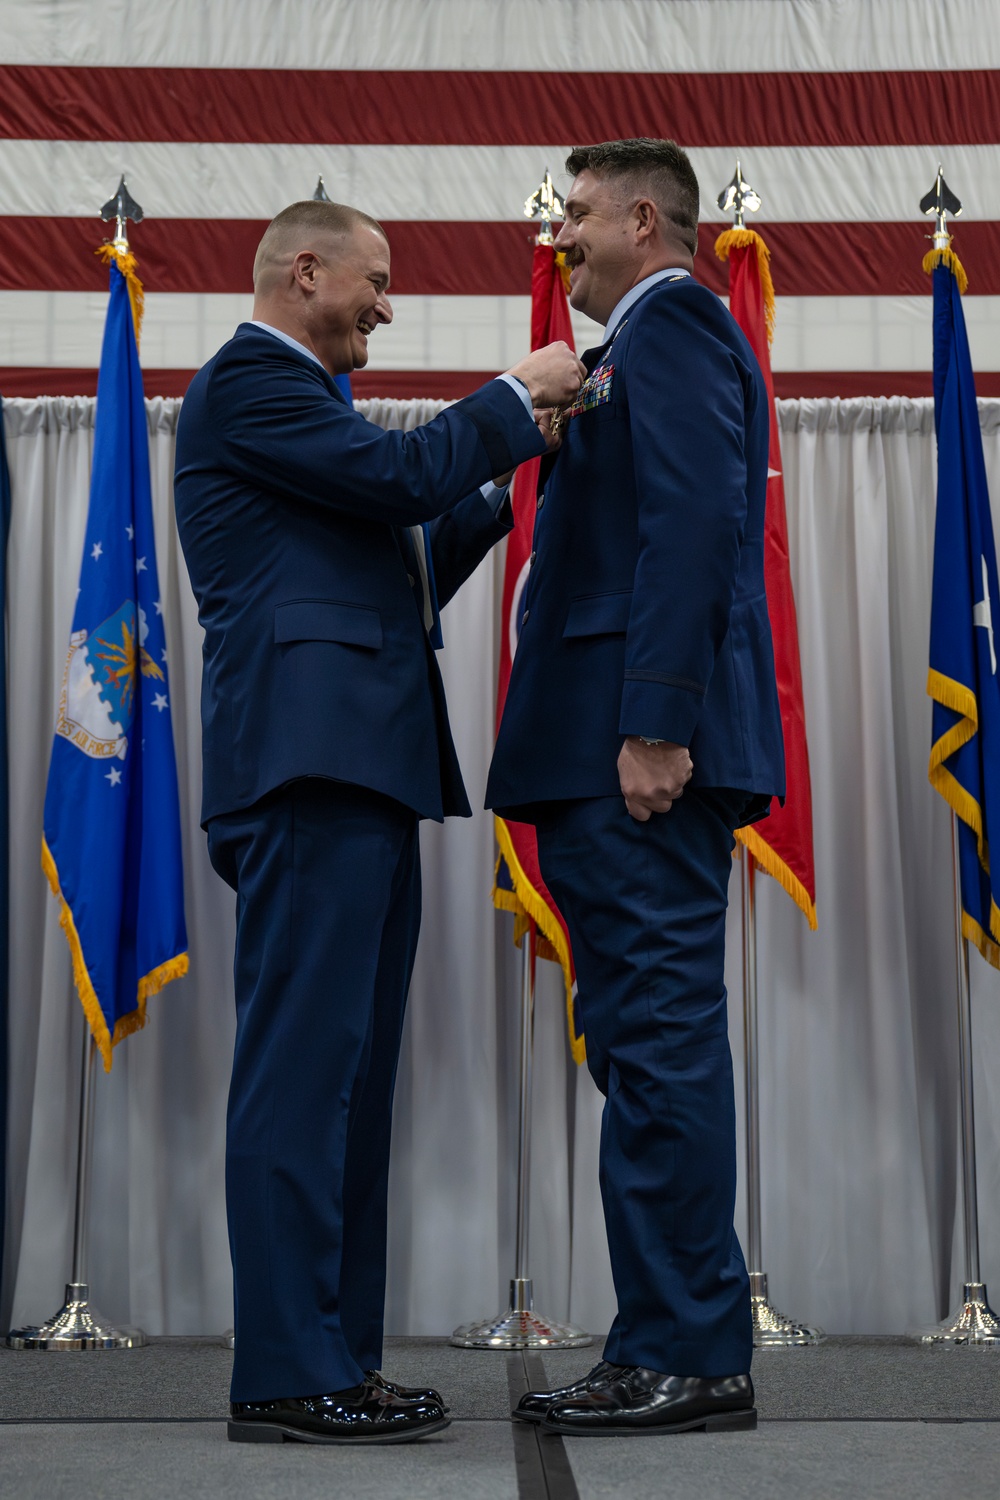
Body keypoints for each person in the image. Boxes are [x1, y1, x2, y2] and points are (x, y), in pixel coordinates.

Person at [174, 199, 583, 1445]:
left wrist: (515, 476)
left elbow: (399, 547)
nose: (387, 307)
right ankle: (288, 1374)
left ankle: (335, 1361)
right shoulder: (248, 385)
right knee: (304, 1077)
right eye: (375, 282)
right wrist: (512, 396)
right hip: (308, 770)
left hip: (358, 768)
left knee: (347, 1081)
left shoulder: (312, 417)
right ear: (304, 269)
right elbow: (401, 480)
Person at [487, 139, 785, 1436]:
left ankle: (687, 1350)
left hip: (639, 761)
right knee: (641, 1048)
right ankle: (667, 1336)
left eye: (580, 217)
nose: (559, 239)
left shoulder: (673, 328)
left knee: (658, 1048)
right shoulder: (632, 346)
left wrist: (658, 723)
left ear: (646, 221)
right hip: (602, 758)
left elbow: (702, 520)